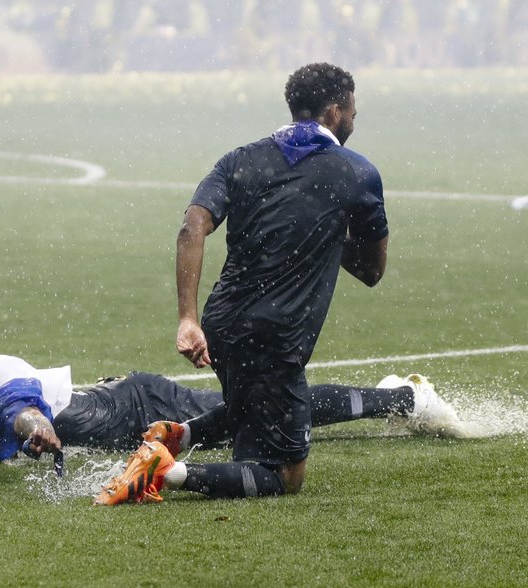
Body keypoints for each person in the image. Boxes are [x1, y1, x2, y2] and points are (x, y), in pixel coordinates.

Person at [96, 62, 393, 505]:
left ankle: (178, 434)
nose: (354, 119)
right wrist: (329, 230)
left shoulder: (241, 158)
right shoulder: (356, 173)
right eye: (352, 111)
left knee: (255, 408)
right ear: (334, 112)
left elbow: (192, 225)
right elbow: (372, 271)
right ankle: (166, 471)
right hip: (274, 337)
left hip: (221, 325)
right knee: (284, 473)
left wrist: (187, 319)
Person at [0, 339, 465, 468]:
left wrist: (39, 433)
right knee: (257, 417)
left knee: (262, 415)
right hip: (120, 407)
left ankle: (398, 398)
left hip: (134, 405)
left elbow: (24, 414)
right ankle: (395, 401)